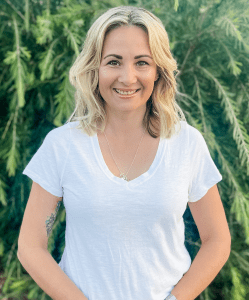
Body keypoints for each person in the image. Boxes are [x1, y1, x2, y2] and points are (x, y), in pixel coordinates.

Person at [17, 5, 231, 300]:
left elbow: (217, 240)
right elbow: (30, 246)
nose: (128, 77)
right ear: (95, 67)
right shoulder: (63, 146)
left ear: (158, 71)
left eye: (142, 62)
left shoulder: (186, 144)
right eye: (114, 61)